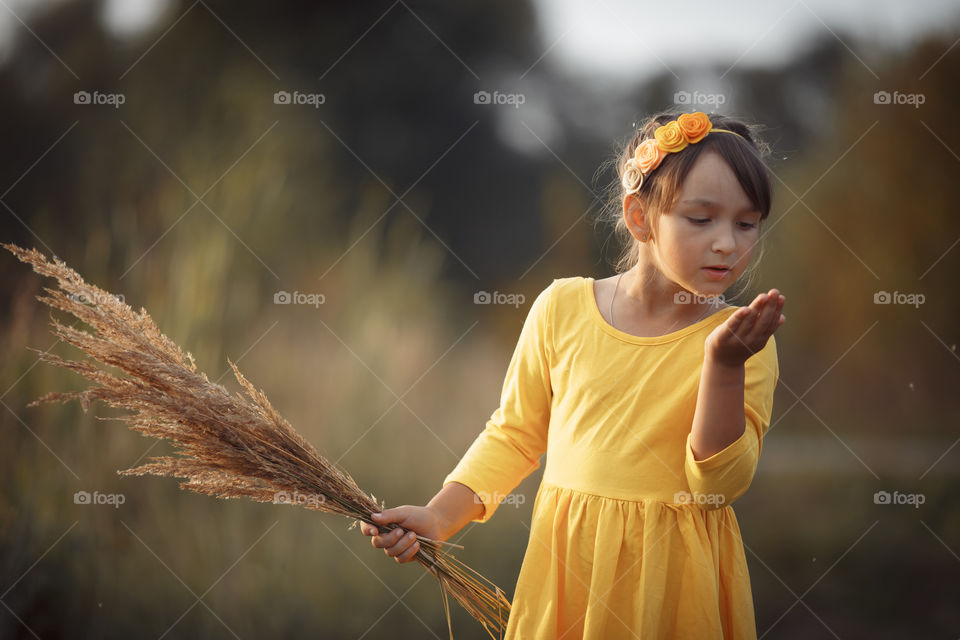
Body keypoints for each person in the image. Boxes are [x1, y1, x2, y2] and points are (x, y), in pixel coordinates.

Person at [359, 110, 785, 639]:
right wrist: (441, 516)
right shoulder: (561, 308)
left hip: (674, 587)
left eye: (746, 224)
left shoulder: (740, 343)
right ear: (639, 217)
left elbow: (717, 488)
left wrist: (722, 366)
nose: (728, 243)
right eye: (701, 219)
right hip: (568, 573)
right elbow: (515, 435)